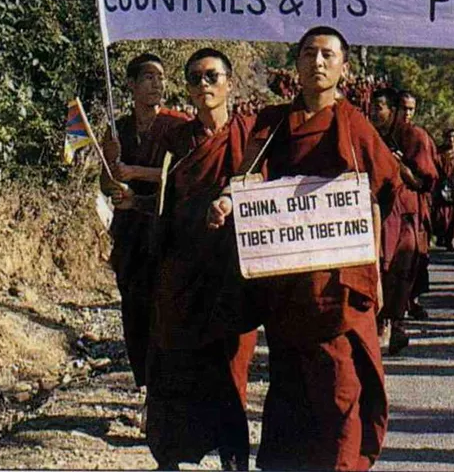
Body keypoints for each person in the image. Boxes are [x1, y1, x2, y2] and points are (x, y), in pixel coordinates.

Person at [213, 26, 402, 471]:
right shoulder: (272, 123)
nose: (317, 62)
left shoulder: (352, 124)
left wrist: (374, 269)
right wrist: (226, 201)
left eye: (327, 55)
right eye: (308, 53)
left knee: (341, 388)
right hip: (287, 282)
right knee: (292, 384)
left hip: (339, 284)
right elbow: (245, 180)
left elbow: (381, 193)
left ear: (344, 68)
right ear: (295, 64)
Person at [146, 48, 257, 471]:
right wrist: (130, 199)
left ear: (230, 82)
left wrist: (230, 199)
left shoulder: (251, 134)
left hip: (232, 275)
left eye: (212, 76)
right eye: (195, 78)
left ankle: (233, 460)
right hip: (183, 272)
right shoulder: (176, 140)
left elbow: (263, 185)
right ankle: (171, 457)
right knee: (176, 363)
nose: (204, 85)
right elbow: (162, 202)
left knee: (230, 370)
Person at [101, 53, 190, 392]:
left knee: (165, 311)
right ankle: (145, 386)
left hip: (166, 232)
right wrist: (112, 167)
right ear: (131, 84)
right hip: (130, 235)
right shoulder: (119, 129)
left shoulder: (177, 126)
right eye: (149, 77)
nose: (157, 84)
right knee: (134, 312)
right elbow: (106, 183)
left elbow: (184, 174)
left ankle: (167, 388)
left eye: (160, 77)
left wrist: (136, 172)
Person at [370, 87, 438, 355]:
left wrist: (401, 168)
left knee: (400, 266)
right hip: (378, 207)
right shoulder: (372, 134)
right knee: (378, 265)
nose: (375, 113)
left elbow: (424, 181)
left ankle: (395, 323)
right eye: (373, 107)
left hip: (405, 209)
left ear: (394, 110)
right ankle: (381, 323)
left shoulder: (415, 136)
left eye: (380, 108)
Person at [398, 91, 437, 322]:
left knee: (415, 254)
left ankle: (413, 301)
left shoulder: (418, 136)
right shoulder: (386, 134)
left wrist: (406, 172)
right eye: (403, 108)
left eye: (411, 109)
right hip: (392, 202)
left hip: (414, 201)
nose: (407, 114)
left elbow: (427, 178)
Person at [433, 129, 454, 251]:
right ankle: (442, 238)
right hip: (442, 186)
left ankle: (452, 240)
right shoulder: (440, 153)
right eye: (449, 137)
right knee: (442, 215)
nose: (451, 139)